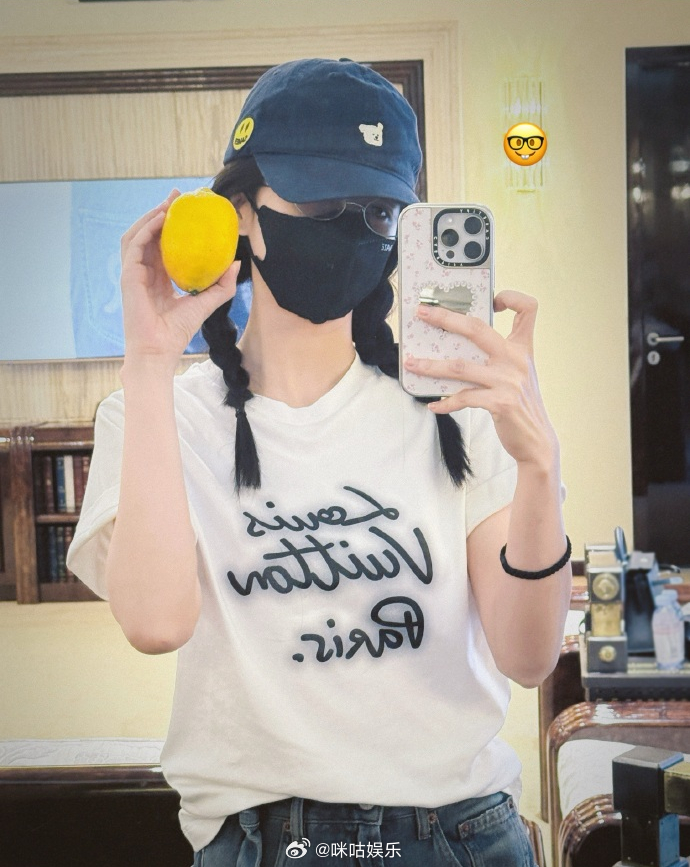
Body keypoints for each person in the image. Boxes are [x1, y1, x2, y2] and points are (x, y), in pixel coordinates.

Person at [67, 58, 572, 867]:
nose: (349, 228)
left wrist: (540, 465)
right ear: (239, 211)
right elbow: (155, 623)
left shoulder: (459, 406)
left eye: (378, 211)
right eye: (318, 200)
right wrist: (149, 360)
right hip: (262, 842)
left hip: (458, 832)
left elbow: (528, 654)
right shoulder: (154, 413)